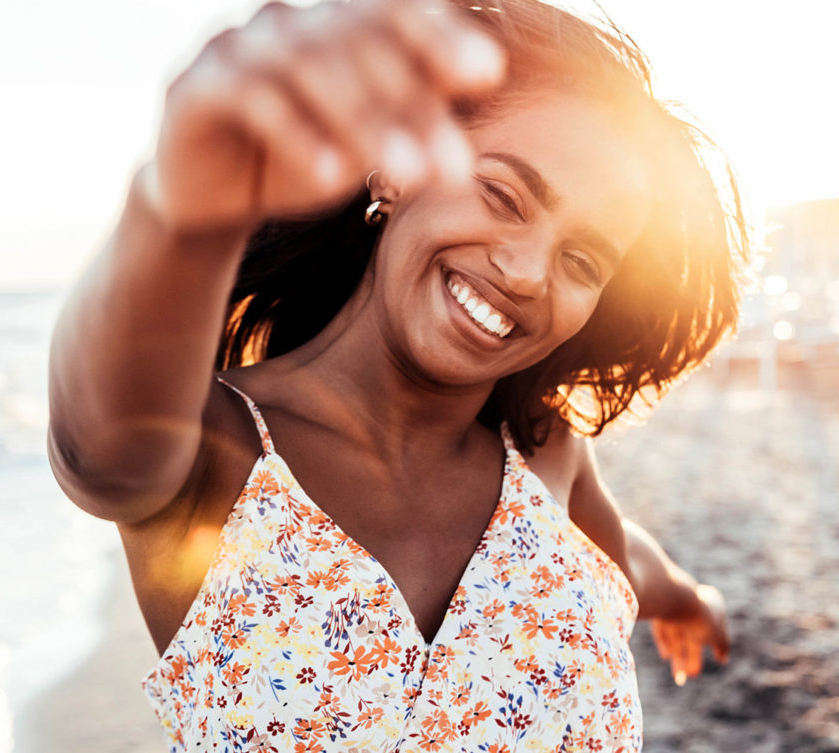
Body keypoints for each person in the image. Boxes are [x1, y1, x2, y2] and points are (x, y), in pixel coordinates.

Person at [47, 0, 748, 750]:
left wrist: (686, 597)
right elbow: (95, 449)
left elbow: (624, 560)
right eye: (504, 195)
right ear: (395, 166)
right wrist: (180, 206)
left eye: (582, 261)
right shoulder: (205, 461)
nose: (526, 271)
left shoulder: (548, 460)